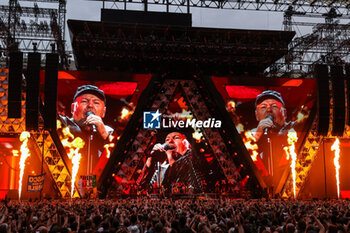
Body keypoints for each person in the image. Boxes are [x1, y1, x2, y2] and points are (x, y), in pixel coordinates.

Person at [58, 85, 114, 177]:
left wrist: (104, 135)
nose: (90, 105)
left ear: (103, 112)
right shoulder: (63, 125)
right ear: (73, 108)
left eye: (96, 103)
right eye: (84, 101)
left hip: (96, 185)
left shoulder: (110, 133)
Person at [251, 90, 295, 189]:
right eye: (263, 107)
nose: (269, 110)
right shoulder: (251, 135)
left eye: (274, 106)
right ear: (257, 115)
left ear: (284, 113)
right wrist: (257, 136)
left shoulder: (294, 129)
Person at [137, 132, 202, 194]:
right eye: (167, 139)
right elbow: (142, 187)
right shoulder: (161, 170)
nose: (170, 141)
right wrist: (150, 157)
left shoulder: (192, 160)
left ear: (187, 144)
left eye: (176, 138)